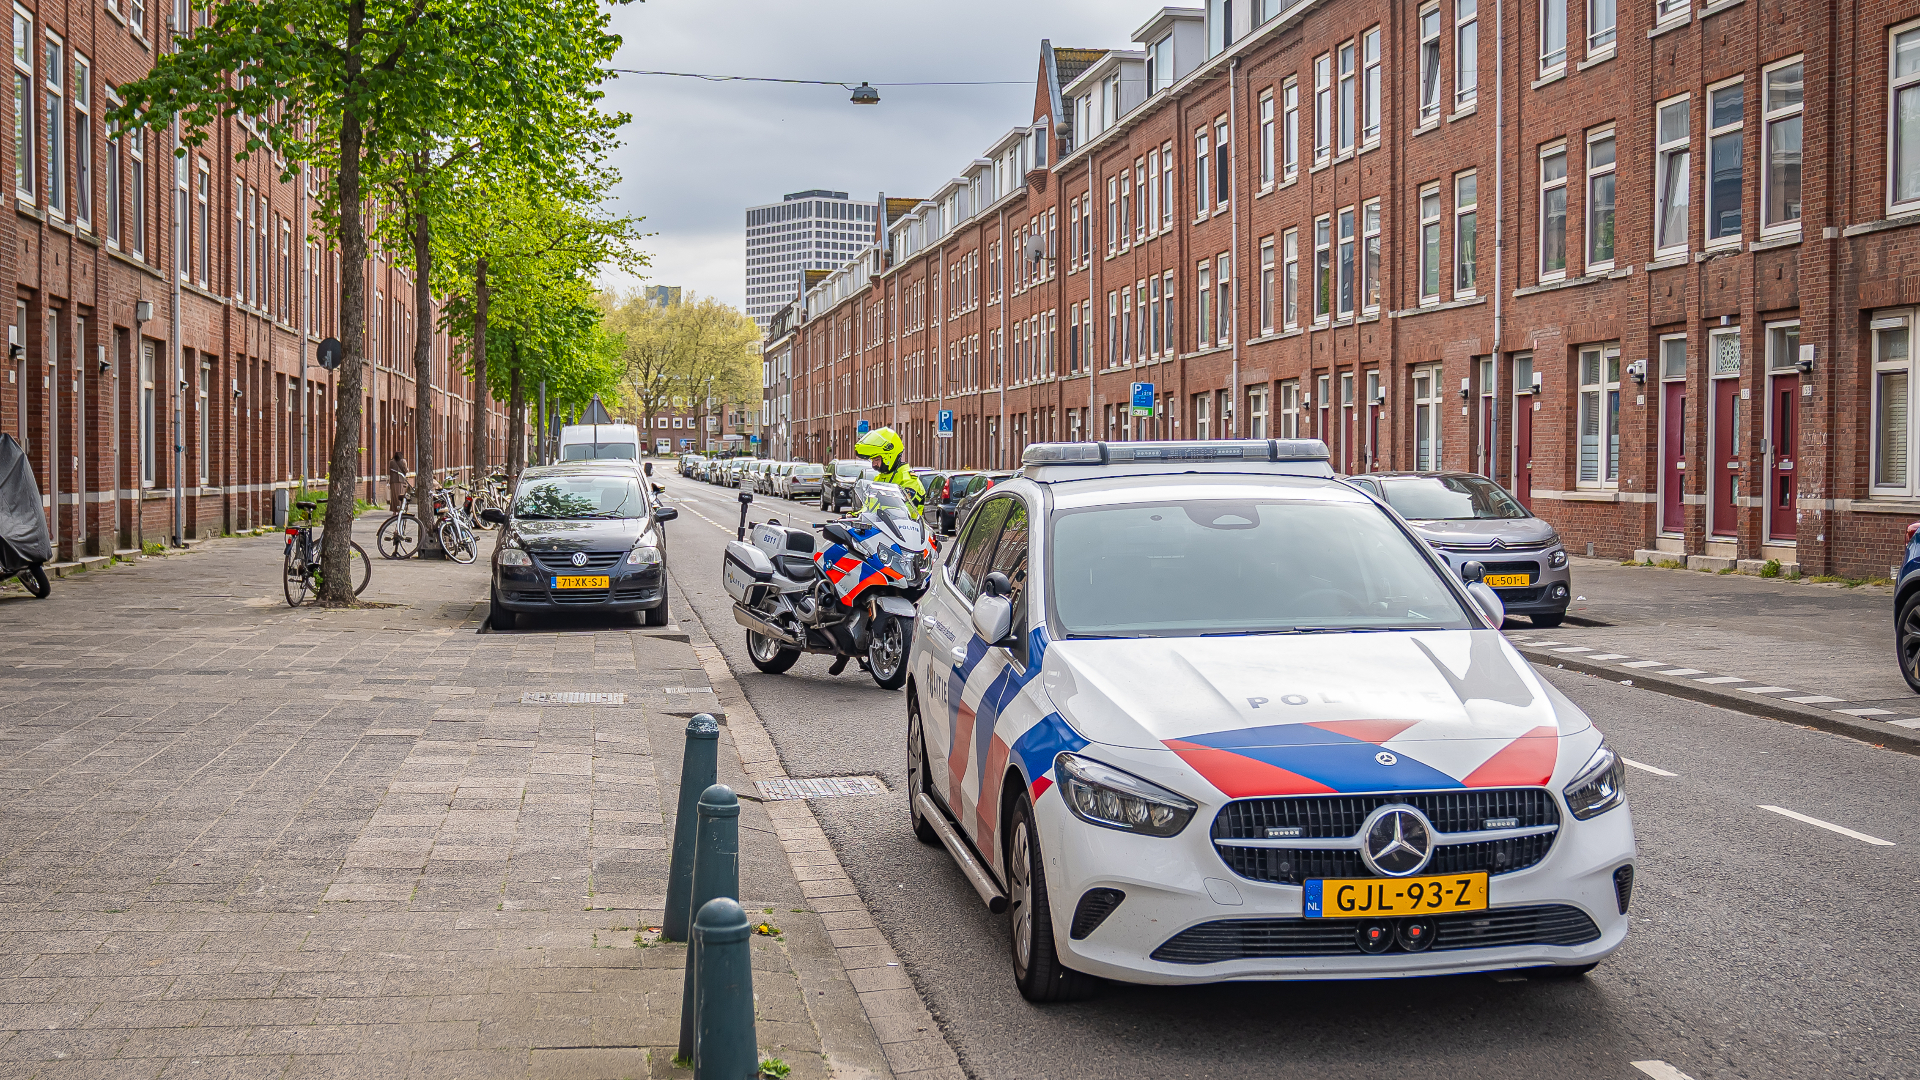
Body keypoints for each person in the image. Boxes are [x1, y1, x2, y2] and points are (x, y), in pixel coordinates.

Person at [853, 426, 926, 519]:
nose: (874, 464)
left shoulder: (908, 481)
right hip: (883, 530)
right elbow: (869, 508)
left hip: (906, 531)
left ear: (889, 456)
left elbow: (902, 511)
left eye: (876, 460)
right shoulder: (879, 479)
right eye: (872, 460)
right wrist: (856, 516)